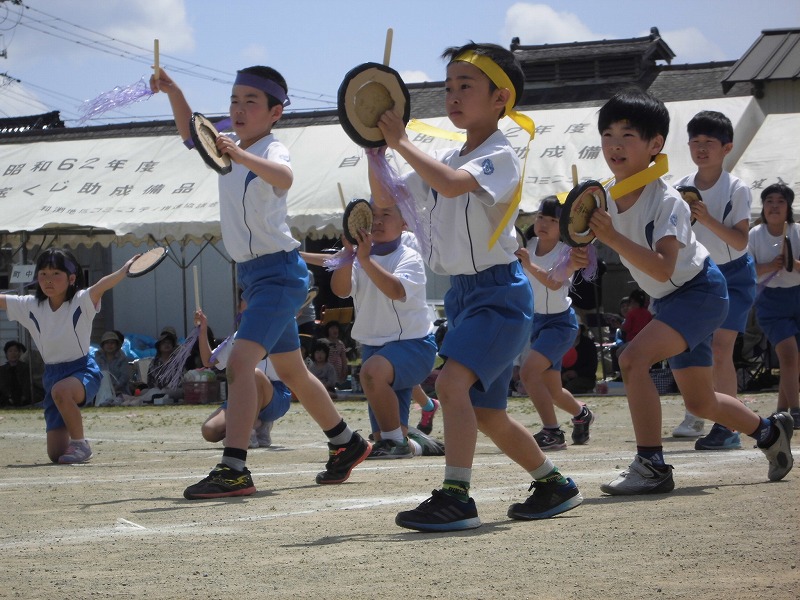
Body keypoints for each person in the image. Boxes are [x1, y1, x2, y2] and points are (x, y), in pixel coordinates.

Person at [370, 42, 583, 531]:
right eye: (448, 87)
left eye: (465, 85)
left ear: (500, 97)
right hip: (466, 295)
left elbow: (448, 184)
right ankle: (553, 483)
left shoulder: (501, 152)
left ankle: (456, 495)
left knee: (450, 384)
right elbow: (391, 199)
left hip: (499, 294)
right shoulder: (446, 153)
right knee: (487, 414)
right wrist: (374, 149)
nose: (453, 95)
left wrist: (401, 143)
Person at [151, 65, 370, 499]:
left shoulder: (273, 148)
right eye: (235, 101)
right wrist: (174, 90)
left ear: (276, 113)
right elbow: (190, 132)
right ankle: (346, 442)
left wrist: (240, 154)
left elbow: (285, 179)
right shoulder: (226, 149)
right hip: (256, 277)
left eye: (252, 101)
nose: (239, 108)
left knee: (239, 363)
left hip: (280, 273)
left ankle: (234, 468)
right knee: (293, 371)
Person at [586, 89, 793, 495]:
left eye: (627, 135)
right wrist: (583, 257)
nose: (614, 144)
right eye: (607, 134)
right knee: (700, 402)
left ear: (655, 144)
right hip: (671, 299)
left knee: (631, 360)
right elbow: (602, 253)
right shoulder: (605, 197)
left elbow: (662, 265)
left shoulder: (668, 200)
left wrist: (609, 237)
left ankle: (651, 464)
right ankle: (771, 432)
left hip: (701, 292)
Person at [0, 248, 138, 463]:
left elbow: (102, 285)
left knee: (62, 391)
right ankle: (71, 442)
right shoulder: (30, 305)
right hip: (52, 375)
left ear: (72, 278)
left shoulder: (81, 301)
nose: (48, 279)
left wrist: (123, 270)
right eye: (43, 273)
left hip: (82, 370)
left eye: (56, 273)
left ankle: (81, 444)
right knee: (56, 454)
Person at [670, 111, 757, 447]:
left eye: (709, 142)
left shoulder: (736, 188)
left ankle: (727, 427)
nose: (701, 148)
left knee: (721, 349)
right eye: (695, 142)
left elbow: (740, 241)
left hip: (733, 274)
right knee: (697, 347)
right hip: (698, 276)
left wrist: (705, 218)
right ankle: (701, 412)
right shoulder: (679, 188)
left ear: (727, 148)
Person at [329, 202, 440, 458]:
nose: (377, 220)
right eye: (372, 215)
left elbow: (396, 291)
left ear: (404, 223)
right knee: (385, 436)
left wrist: (364, 258)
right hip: (375, 348)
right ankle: (421, 445)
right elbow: (341, 290)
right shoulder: (358, 259)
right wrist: (348, 255)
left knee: (371, 373)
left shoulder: (408, 256)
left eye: (386, 214)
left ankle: (399, 442)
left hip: (413, 345)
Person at [515, 196, 595, 451]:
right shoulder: (529, 243)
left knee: (528, 373)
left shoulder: (567, 252)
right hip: (537, 322)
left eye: (552, 220)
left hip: (560, 324)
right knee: (553, 389)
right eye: (540, 217)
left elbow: (554, 282)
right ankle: (582, 415)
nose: (543, 223)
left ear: (564, 226)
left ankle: (552, 432)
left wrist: (528, 263)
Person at [194, 307, 291, 449]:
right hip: (242, 395)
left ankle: (248, 433)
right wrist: (203, 331)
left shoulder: (277, 330)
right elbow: (208, 361)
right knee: (210, 431)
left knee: (254, 373)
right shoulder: (238, 336)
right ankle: (259, 424)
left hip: (275, 396)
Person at [749, 183, 800, 429]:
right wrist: (771, 266)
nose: (774, 205)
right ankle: (798, 412)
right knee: (789, 355)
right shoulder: (754, 235)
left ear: (789, 206)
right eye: (769, 200)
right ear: (763, 206)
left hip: (798, 296)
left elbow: (794, 265)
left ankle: (782, 411)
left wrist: (793, 263)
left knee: (792, 360)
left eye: (780, 201)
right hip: (770, 301)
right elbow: (746, 271)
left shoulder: (798, 231)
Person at [93, 331, 132, 405]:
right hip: (100, 391)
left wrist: (113, 389)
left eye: (112, 343)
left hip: (120, 392)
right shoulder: (97, 358)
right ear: (103, 345)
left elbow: (125, 377)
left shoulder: (123, 359)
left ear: (117, 345)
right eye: (107, 343)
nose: (109, 345)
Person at [562, 324, 598, 395]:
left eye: (578, 326)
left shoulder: (588, 344)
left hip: (586, 378)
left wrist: (577, 373)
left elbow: (592, 366)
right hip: (564, 377)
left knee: (570, 387)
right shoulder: (562, 344)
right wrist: (562, 374)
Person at [0, 340, 33, 407]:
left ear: (19, 353)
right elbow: (3, 385)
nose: (13, 353)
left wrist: (24, 396)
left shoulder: (25, 367)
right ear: (6, 354)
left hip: (23, 398)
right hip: (6, 399)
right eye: (10, 351)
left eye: (15, 351)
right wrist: (9, 396)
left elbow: (26, 384)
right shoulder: (2, 369)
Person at [320, 320, 349, 388]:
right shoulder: (323, 342)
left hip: (338, 369)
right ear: (328, 330)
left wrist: (344, 369)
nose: (335, 330)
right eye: (332, 328)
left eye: (336, 328)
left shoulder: (340, 343)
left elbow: (343, 358)